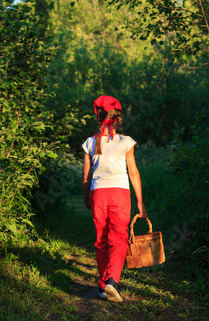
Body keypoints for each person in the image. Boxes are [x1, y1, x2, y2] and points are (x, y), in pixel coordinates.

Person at [82, 95, 147, 303]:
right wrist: (140, 203)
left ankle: (102, 286)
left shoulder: (90, 143)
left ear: (98, 117)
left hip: (98, 194)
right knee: (119, 238)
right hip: (120, 193)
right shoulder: (126, 142)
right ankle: (113, 281)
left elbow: (86, 177)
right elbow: (134, 172)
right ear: (118, 118)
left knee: (101, 241)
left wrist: (86, 199)